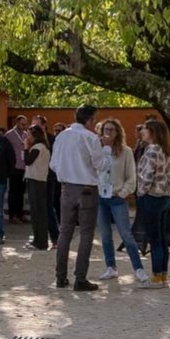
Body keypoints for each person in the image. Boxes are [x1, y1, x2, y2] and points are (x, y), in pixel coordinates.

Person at [51, 105, 109, 291]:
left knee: (65, 233)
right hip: (86, 188)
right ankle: (80, 278)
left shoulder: (61, 136)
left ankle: (60, 277)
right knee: (86, 234)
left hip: (67, 188)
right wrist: (106, 152)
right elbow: (100, 164)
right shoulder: (91, 138)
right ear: (90, 120)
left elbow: (53, 164)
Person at [95, 118, 148, 284]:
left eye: (111, 129)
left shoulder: (126, 152)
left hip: (117, 197)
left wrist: (123, 193)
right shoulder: (97, 150)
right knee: (105, 235)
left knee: (126, 234)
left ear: (117, 132)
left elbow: (131, 177)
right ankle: (111, 267)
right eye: (105, 129)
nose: (108, 133)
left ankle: (138, 268)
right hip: (100, 197)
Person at [135, 119, 170, 288]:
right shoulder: (166, 150)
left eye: (145, 129)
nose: (142, 132)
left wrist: (141, 191)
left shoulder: (152, 150)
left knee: (154, 238)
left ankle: (156, 277)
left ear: (152, 131)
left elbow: (147, 175)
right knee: (161, 237)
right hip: (165, 197)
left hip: (152, 197)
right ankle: (163, 275)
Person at [22, 125, 51, 251]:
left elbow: (28, 161)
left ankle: (41, 242)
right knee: (36, 211)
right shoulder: (42, 147)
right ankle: (37, 239)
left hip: (37, 181)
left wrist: (25, 148)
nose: (27, 138)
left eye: (28, 135)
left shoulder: (38, 148)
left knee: (38, 212)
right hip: (36, 180)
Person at [5, 115, 30, 224]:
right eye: (22, 124)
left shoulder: (26, 134)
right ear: (17, 123)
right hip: (14, 166)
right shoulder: (9, 135)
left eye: (25, 124)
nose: (24, 126)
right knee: (13, 192)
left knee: (21, 192)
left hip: (24, 167)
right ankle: (12, 215)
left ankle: (20, 213)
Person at [47, 123, 64, 243]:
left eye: (59, 130)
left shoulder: (64, 143)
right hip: (53, 175)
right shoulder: (52, 141)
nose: (57, 132)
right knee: (54, 200)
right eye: (55, 130)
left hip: (64, 177)